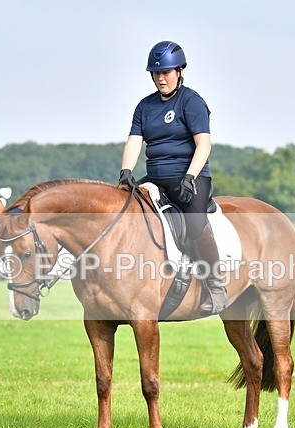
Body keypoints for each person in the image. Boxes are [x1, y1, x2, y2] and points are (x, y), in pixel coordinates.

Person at [119, 41, 229, 315]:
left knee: (195, 222)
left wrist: (190, 176)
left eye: (166, 72)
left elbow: (203, 143)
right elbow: (134, 140)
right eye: (156, 73)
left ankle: (216, 285)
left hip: (190, 177)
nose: (160, 77)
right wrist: (126, 171)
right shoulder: (145, 106)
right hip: (156, 178)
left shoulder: (191, 102)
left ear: (179, 71)